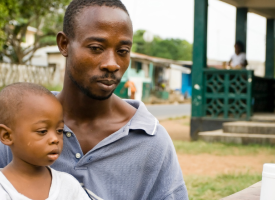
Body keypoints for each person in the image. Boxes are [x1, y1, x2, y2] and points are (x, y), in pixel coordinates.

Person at [0, 0, 189, 199]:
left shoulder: (151, 142)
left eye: (123, 51)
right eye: (96, 48)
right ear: (64, 44)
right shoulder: (20, 121)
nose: (112, 64)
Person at [0, 83, 90, 200]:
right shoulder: (3, 188)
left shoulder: (68, 186)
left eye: (59, 130)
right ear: (7, 136)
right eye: (42, 131)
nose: (55, 139)